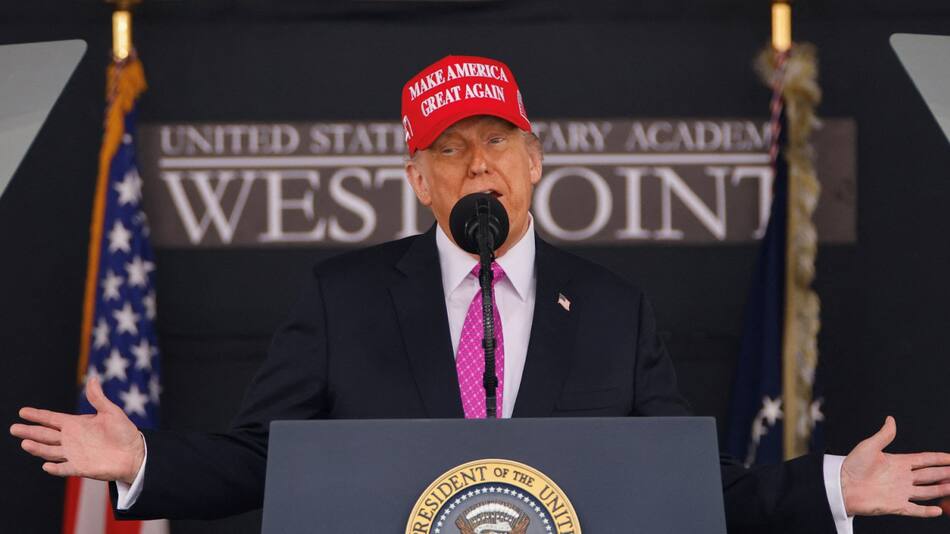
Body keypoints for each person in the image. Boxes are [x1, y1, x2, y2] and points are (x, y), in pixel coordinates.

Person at [11, 55, 950, 533]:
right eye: (450, 149)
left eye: (497, 141)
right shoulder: (344, 298)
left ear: (534, 161)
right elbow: (266, 460)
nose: (477, 165)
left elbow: (684, 481)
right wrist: (144, 462)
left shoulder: (613, 309)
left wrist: (832, 485)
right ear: (419, 180)